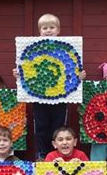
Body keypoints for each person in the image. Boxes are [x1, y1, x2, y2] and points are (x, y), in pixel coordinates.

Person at [13, 14, 86, 160]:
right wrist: (20, 74)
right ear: (40, 31)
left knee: (59, 126)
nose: (48, 30)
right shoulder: (34, 48)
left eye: (51, 27)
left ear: (58, 30)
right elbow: (28, 68)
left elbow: (71, 69)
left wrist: (79, 76)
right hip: (39, 96)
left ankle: (58, 153)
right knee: (41, 126)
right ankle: (42, 154)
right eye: (44, 28)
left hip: (60, 96)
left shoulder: (66, 48)